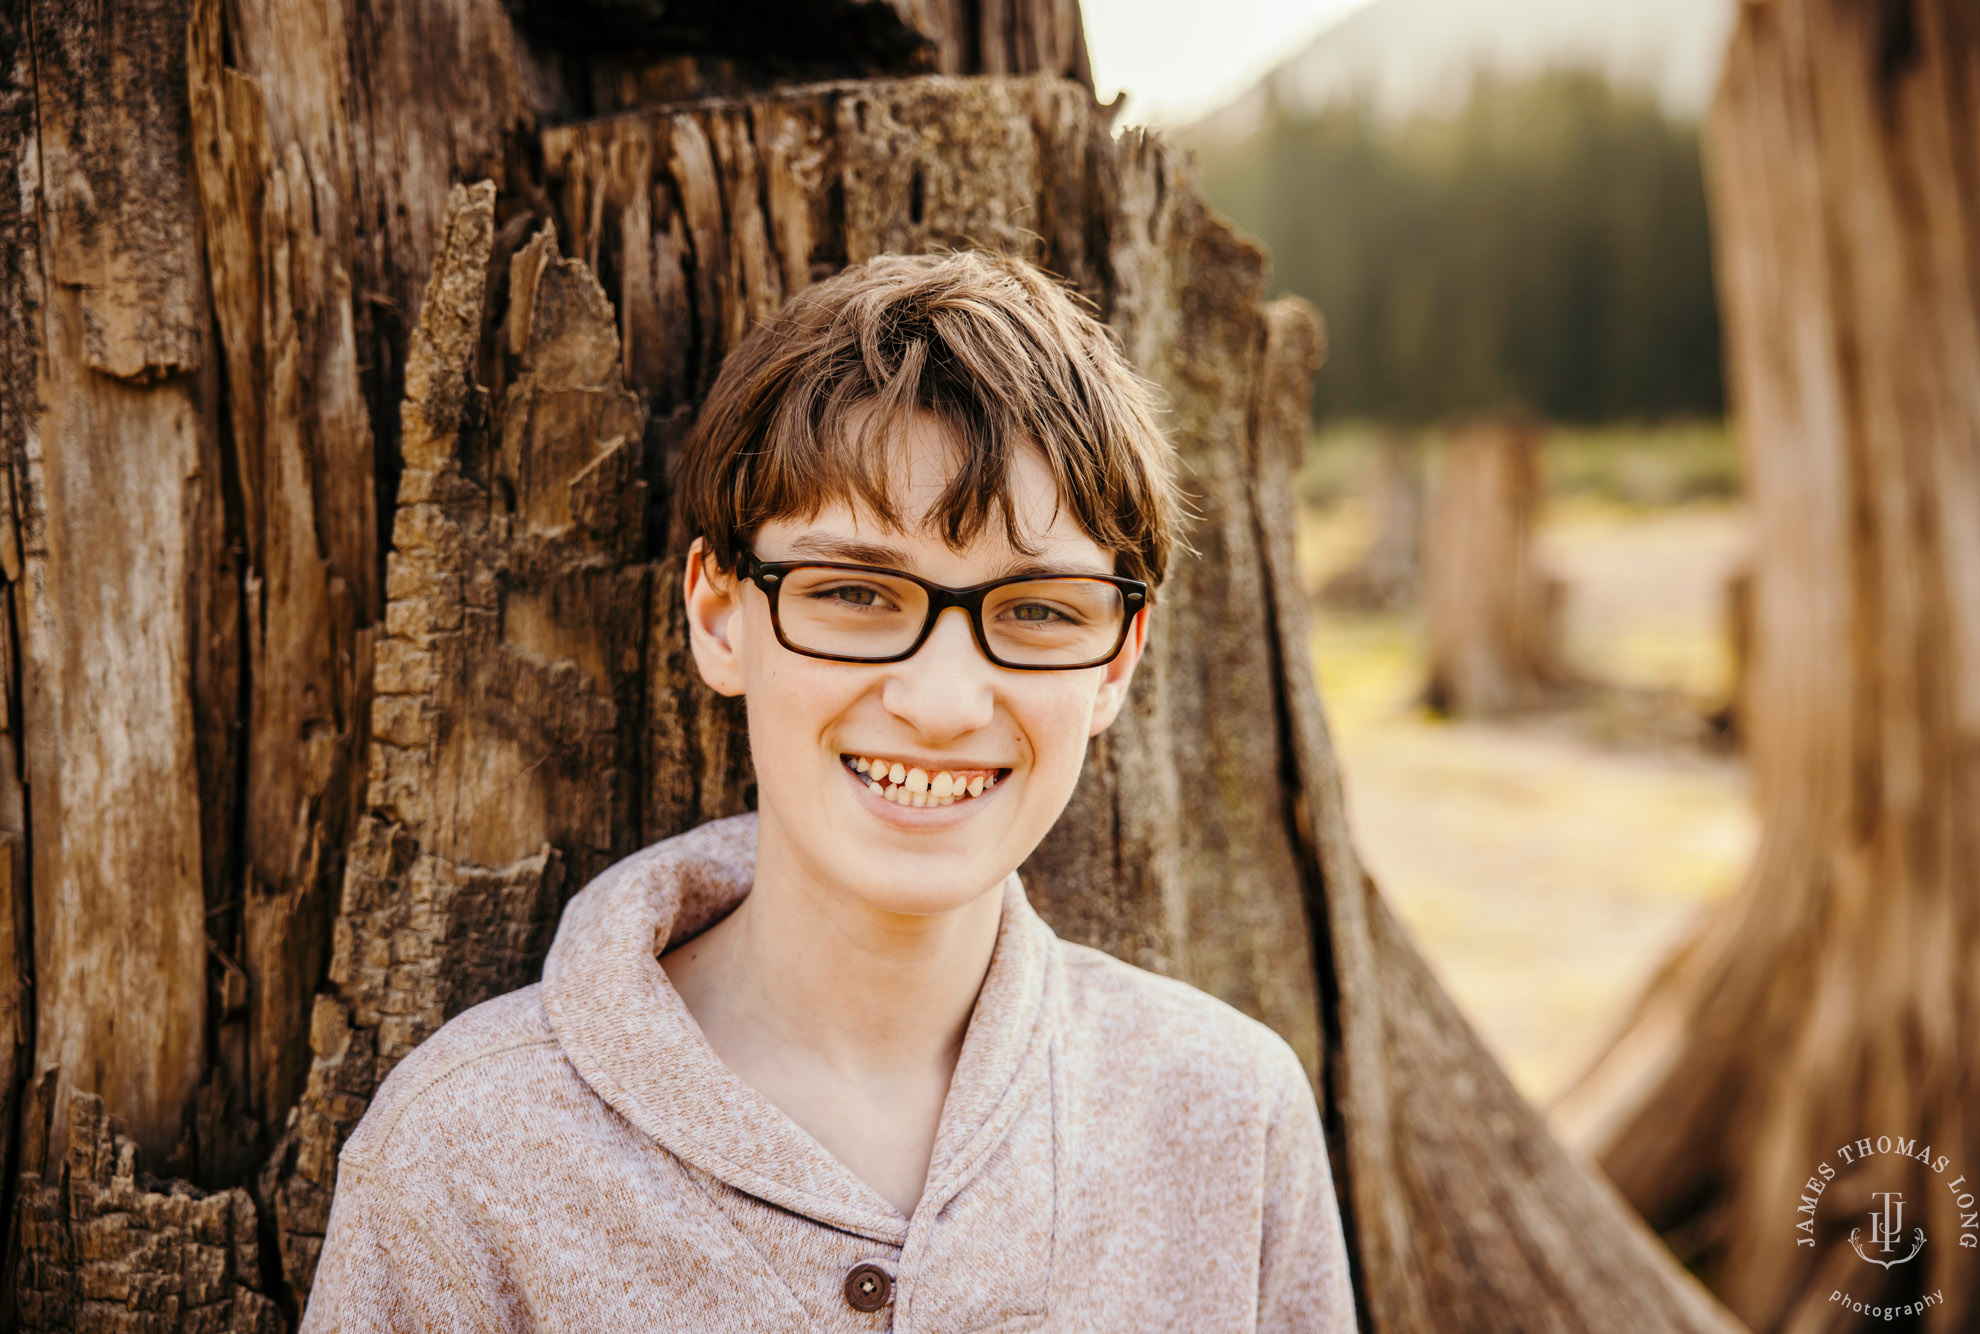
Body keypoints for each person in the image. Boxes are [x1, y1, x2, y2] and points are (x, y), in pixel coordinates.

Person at [300, 249, 1361, 1332]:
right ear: (719, 615)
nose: (943, 700)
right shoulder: (462, 1158)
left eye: (1038, 608)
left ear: (1118, 661)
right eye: (853, 590)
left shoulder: (1228, 1116)